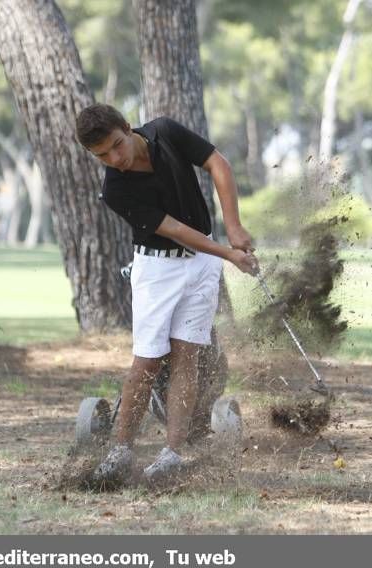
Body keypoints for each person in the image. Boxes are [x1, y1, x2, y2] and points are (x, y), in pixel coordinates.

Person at [75, 103, 258, 484]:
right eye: (102, 156)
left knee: (186, 356)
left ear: (129, 128)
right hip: (158, 270)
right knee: (147, 362)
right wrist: (228, 252)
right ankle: (121, 452)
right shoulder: (115, 189)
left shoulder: (166, 132)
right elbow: (172, 228)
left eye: (116, 146)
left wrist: (234, 226)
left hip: (201, 264)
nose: (114, 159)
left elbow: (218, 165)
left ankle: (172, 454)